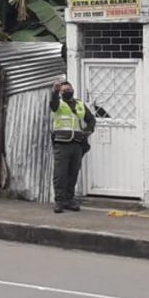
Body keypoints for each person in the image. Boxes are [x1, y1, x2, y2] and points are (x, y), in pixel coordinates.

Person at [49, 80, 95, 214]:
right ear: (60, 92)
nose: (67, 91)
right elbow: (53, 104)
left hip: (77, 144)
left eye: (69, 89)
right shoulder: (58, 104)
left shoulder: (80, 104)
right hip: (62, 144)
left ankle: (69, 199)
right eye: (64, 90)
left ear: (73, 90)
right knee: (60, 174)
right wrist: (55, 92)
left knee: (73, 173)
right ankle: (59, 201)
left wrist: (88, 131)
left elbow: (91, 119)